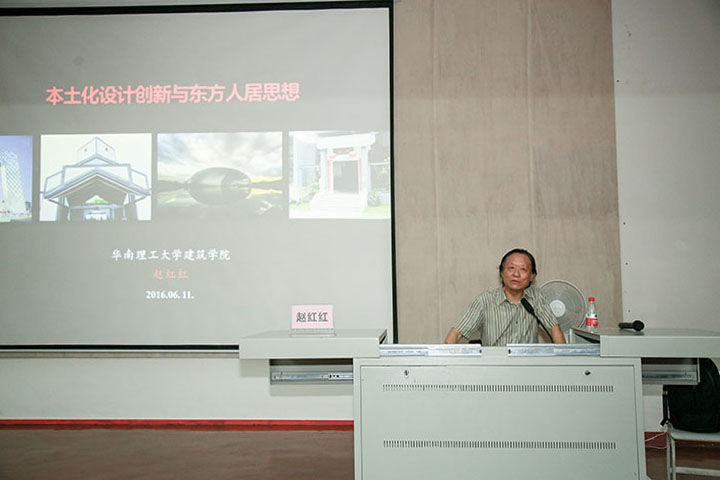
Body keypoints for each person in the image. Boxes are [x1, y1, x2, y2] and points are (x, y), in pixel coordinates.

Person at [444, 248, 566, 346]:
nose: (516, 274)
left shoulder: (536, 297)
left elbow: (554, 330)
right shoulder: (485, 301)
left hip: (527, 366)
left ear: (532, 276)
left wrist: (564, 362)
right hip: (494, 366)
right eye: (511, 268)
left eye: (523, 269)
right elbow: (454, 335)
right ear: (501, 272)